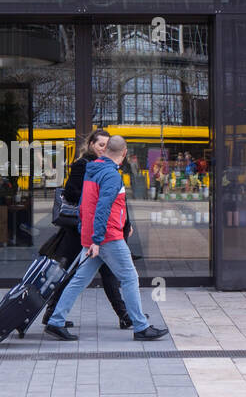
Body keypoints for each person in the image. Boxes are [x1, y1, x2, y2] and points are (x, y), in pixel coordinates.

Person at [44, 135, 169, 342]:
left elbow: (84, 203)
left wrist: (87, 233)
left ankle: (55, 321)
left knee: (79, 280)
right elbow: (103, 207)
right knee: (130, 278)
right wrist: (97, 239)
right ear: (125, 152)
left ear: (106, 149)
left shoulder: (93, 169)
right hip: (107, 237)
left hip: (93, 236)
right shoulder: (111, 175)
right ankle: (140, 327)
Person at [38, 129, 133, 330]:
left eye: (107, 146)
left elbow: (115, 200)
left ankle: (125, 315)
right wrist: (92, 194)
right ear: (91, 144)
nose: (104, 149)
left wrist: (127, 223)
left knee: (101, 274)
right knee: (72, 275)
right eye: (101, 145)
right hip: (80, 231)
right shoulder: (83, 166)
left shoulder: (107, 168)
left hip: (96, 230)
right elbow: (73, 193)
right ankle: (52, 315)